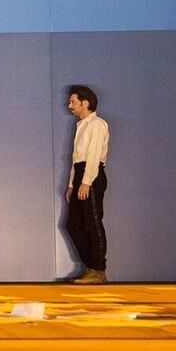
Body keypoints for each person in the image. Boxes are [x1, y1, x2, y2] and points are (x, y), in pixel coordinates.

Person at [64, 85, 109, 284]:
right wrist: (72, 184)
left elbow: (93, 155)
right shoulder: (81, 125)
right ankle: (91, 266)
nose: (70, 105)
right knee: (73, 224)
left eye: (73, 101)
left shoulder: (97, 124)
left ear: (85, 102)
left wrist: (86, 182)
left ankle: (98, 269)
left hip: (92, 174)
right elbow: (77, 159)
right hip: (81, 174)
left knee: (93, 222)